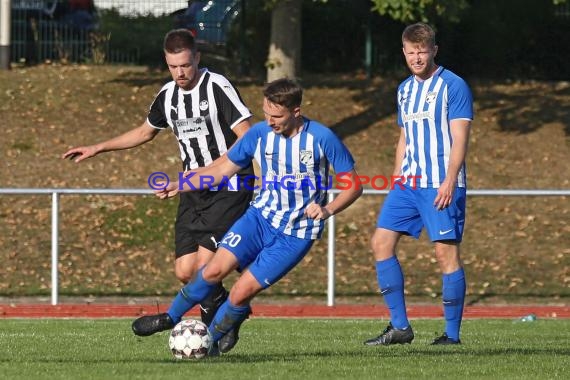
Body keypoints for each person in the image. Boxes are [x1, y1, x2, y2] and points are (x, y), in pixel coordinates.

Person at [131, 78, 363, 353]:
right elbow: (220, 171)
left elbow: (354, 185)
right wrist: (180, 183)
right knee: (214, 269)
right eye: (266, 113)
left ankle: (211, 345)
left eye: (277, 116)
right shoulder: (259, 134)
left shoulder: (322, 138)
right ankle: (170, 317)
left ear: (296, 112)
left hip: (296, 234)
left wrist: (327, 210)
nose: (270, 121)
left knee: (242, 291)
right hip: (260, 218)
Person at [62, 29, 254, 352]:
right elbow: (144, 131)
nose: (180, 73)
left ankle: (223, 323)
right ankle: (223, 305)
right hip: (191, 191)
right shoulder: (168, 95)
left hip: (228, 187)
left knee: (204, 268)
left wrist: (217, 171)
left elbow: (247, 135)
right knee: (184, 272)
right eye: (173, 67)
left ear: (197, 58)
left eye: (185, 65)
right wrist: (98, 147)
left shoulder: (217, 86)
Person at [364, 22, 473, 346]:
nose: (416, 58)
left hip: (440, 182)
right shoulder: (405, 89)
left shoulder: (453, 85)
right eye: (411, 52)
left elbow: (460, 137)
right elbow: (404, 138)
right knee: (381, 243)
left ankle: (451, 336)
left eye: (422, 52)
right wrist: (396, 178)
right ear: (404, 52)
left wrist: (450, 181)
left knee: (445, 256)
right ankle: (400, 327)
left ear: (434, 51)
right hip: (408, 184)